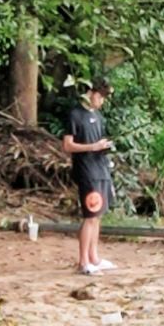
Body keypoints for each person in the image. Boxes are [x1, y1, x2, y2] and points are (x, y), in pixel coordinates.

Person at [61, 77, 116, 274]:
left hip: (101, 169)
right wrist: (92, 147)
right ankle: (83, 262)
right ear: (92, 93)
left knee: (98, 215)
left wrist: (104, 147)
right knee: (90, 216)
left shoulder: (99, 117)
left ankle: (94, 257)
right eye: (101, 97)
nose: (102, 101)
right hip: (86, 171)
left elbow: (99, 142)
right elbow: (67, 145)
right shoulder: (75, 115)